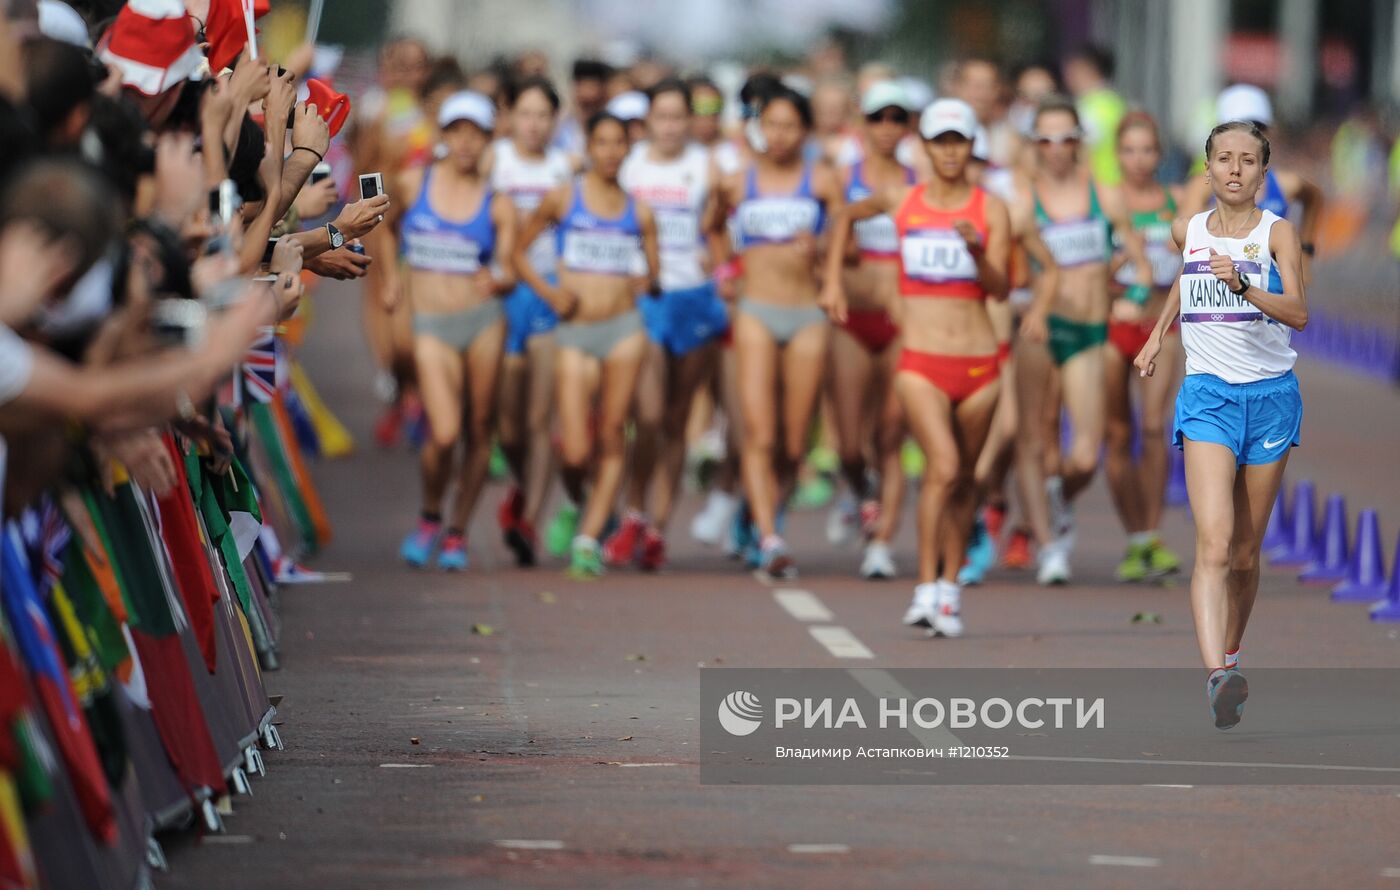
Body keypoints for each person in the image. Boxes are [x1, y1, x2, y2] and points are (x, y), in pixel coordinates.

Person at [1134, 120, 1307, 729]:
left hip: (1269, 399)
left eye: (1248, 160)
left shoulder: (1278, 233)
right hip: (1207, 395)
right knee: (1211, 543)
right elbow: (1186, 277)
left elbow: (1300, 312)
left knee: (1243, 554)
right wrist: (1157, 337)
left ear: (1263, 173)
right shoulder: (1191, 229)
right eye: (1224, 159)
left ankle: (1232, 651)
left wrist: (1248, 288)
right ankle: (1217, 676)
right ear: (1206, 170)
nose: (1235, 169)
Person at [825, 98, 1011, 636]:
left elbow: (1001, 289)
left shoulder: (989, 208)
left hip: (978, 365)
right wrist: (833, 281)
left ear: (972, 146)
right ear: (925, 148)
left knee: (963, 484)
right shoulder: (903, 200)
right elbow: (843, 216)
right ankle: (925, 588)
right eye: (940, 141)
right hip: (921, 363)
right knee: (945, 466)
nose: (950, 151)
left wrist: (977, 255)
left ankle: (949, 591)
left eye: (959, 141)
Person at [512, 112, 661, 578]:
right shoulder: (563, 198)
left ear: (628, 150)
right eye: (602, 142)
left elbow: (654, 278)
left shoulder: (640, 211)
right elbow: (516, 252)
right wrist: (550, 291)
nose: (611, 152)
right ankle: (580, 501)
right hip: (574, 332)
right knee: (575, 451)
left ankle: (587, 539)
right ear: (588, 148)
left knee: (614, 433)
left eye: (620, 143)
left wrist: (644, 280)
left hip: (623, 331)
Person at [1012, 94, 1152, 585]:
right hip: (1041, 329)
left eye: (1066, 138)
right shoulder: (1021, 199)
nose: (1056, 148)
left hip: (1090, 330)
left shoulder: (1105, 195)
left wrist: (1131, 294)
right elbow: (997, 265)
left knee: (1084, 455)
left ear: (1079, 142)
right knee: (1034, 437)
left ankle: (1058, 498)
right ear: (1034, 144)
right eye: (1045, 139)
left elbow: (1140, 262)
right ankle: (1049, 547)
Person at [381, 92, 514, 571]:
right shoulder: (414, 182)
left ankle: (458, 531)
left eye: (475, 133)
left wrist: (500, 278)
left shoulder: (498, 204)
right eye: (457, 131)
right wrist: (394, 278)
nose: (465, 142)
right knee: (445, 429)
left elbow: (511, 268)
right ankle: (430, 514)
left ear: (488, 140)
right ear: (443, 136)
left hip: (482, 322)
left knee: (480, 428)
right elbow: (383, 222)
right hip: (432, 324)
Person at [715, 86, 844, 578]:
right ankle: (770, 538)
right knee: (759, 432)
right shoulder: (736, 182)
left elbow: (842, 231)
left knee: (794, 444)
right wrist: (725, 271)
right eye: (771, 125)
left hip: (807, 314)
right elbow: (711, 225)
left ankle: (765, 510)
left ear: (805, 131)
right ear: (757, 128)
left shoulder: (823, 179)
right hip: (755, 312)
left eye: (790, 126)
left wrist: (828, 271)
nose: (780, 135)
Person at [609, 78, 726, 570]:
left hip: (695, 298)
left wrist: (719, 263)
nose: (672, 126)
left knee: (678, 419)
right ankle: (634, 510)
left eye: (681, 116)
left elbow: (719, 230)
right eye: (663, 117)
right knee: (649, 416)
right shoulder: (630, 166)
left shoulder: (706, 167)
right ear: (649, 121)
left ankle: (658, 525)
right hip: (648, 299)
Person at [825, 80, 914, 580]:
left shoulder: (914, 182)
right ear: (864, 123)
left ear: (907, 127)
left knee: (891, 432)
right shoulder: (845, 176)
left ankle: (882, 542)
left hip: (901, 323)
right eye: (878, 118)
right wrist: (833, 276)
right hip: (852, 320)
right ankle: (860, 492)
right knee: (850, 445)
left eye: (896, 119)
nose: (886, 128)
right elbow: (831, 229)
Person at [490, 75, 573, 566]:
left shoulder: (568, 169)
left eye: (544, 115)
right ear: (510, 116)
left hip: (548, 298)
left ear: (555, 120)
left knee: (541, 419)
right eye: (526, 114)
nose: (535, 124)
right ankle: (522, 488)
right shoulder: (492, 160)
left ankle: (531, 520)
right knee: (510, 428)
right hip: (503, 298)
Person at [1103, 111, 1183, 581]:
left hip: (1162, 323)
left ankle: (1152, 535)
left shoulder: (1174, 202)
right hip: (1114, 325)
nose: (1139, 160)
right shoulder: (1107, 201)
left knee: (1154, 427)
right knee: (1118, 434)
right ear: (1117, 154)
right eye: (1130, 150)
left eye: (1147, 150)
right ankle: (1134, 537)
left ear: (1160, 153)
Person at [1180, 85, 1324, 283]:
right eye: (1237, 127)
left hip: (1272, 295)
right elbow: (1183, 244)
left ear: (1270, 131)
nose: (1248, 135)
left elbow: (1315, 198)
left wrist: (1306, 252)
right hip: (1221, 296)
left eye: (1257, 126)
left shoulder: (1285, 184)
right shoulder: (1202, 186)